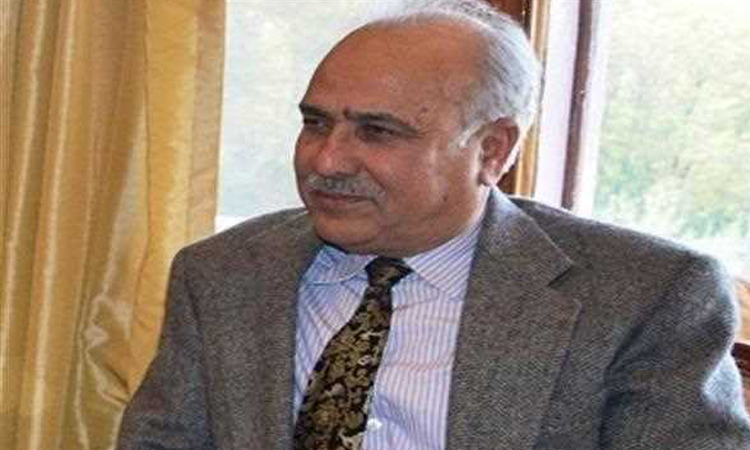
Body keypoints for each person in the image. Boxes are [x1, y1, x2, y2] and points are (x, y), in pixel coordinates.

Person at [117, 0, 750, 449]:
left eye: (377, 131)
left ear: (492, 151)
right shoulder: (222, 273)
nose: (326, 160)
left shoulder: (646, 295)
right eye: (316, 123)